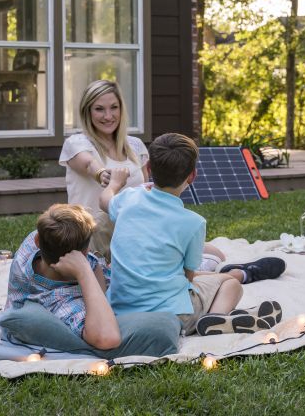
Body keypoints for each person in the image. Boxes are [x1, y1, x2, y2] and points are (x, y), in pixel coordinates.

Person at [100, 133, 284, 336]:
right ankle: (215, 318)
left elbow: (104, 200)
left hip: (118, 310)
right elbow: (188, 278)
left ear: (149, 168)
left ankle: (230, 283)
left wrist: (114, 184)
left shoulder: (129, 198)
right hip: (171, 314)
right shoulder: (194, 223)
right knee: (231, 285)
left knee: (214, 272)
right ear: (192, 176)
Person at [5, 203, 121, 350]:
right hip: (112, 282)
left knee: (107, 217)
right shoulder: (60, 302)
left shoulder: (31, 245)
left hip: (100, 267)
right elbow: (108, 338)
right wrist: (85, 271)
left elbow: (56, 230)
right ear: (83, 255)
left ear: (38, 241)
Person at [59, 80, 149, 263]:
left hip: (133, 237)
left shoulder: (135, 146)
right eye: (99, 109)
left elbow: (146, 192)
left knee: (209, 252)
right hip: (90, 240)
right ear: (88, 112)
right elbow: (88, 164)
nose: (108, 116)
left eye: (114, 107)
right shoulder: (76, 143)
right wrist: (102, 174)